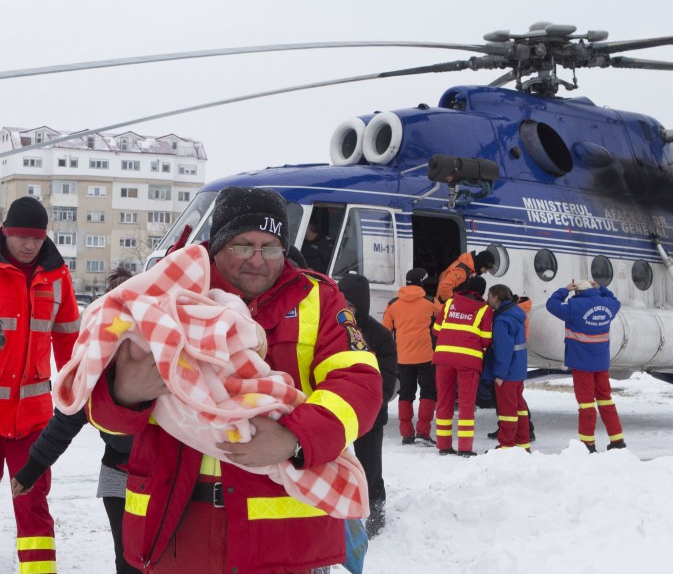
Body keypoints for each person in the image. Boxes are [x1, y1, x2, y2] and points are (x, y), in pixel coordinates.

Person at [84, 186, 382, 573]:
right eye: (243, 245)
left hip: (283, 538)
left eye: (271, 246)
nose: (258, 260)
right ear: (217, 243)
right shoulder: (165, 295)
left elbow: (360, 385)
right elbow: (99, 407)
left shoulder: (320, 299)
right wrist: (124, 392)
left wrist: (294, 439)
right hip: (175, 525)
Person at [12, 266, 139, 573]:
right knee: (128, 560)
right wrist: (31, 470)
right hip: (118, 473)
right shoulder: (94, 364)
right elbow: (66, 420)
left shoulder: (164, 354)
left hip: (163, 473)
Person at [1, 195, 80, 574]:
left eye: (36, 237)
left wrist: (76, 392)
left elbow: (69, 341)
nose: (29, 245)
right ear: (6, 232)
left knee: (32, 505)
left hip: (32, 421)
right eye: (20, 237)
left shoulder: (58, 275)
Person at [338, 274, 398, 538]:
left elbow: (387, 379)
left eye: (350, 304)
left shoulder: (379, 335)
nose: (345, 308)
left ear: (360, 305)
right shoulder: (330, 327)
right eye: (341, 302)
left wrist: (372, 403)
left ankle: (376, 512)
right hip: (336, 410)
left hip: (368, 414)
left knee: (370, 467)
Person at [546, 279, 625, 453]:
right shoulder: (608, 305)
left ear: (577, 292)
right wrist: (602, 289)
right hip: (601, 363)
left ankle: (587, 443)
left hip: (582, 364)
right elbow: (616, 301)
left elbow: (551, 304)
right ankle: (617, 440)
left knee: (586, 404)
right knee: (606, 400)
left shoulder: (574, 307)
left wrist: (565, 289)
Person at [432, 276, 493, 457]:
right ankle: (465, 448)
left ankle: (443, 445)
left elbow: (436, 330)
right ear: (482, 292)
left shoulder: (450, 303)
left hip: (443, 358)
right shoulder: (484, 309)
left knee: (444, 401)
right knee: (466, 404)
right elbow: (486, 339)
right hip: (469, 360)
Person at [382, 268, 441, 445]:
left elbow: (385, 332)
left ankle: (406, 433)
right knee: (428, 393)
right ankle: (423, 431)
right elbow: (443, 324)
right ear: (422, 282)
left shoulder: (393, 304)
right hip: (426, 356)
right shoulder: (431, 303)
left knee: (406, 394)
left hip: (403, 358)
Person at [483, 285, 531, 450]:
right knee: (519, 407)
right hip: (518, 370)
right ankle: (523, 442)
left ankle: (506, 445)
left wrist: (500, 373)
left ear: (496, 298)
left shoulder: (502, 320)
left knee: (507, 409)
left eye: (489, 296)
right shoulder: (516, 313)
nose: (486, 299)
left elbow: (503, 349)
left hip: (507, 373)